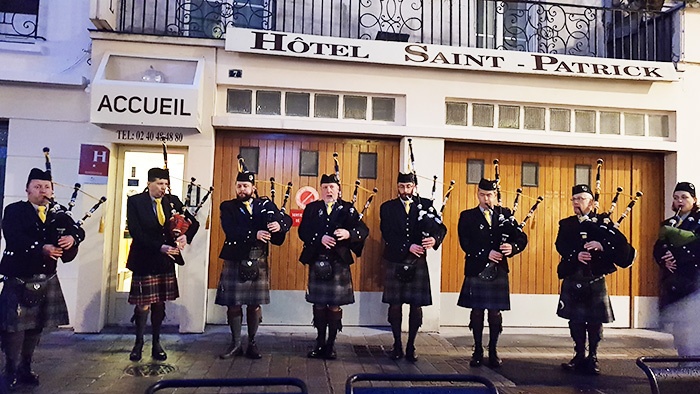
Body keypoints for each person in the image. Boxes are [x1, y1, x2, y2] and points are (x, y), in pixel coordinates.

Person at [0, 168, 85, 389]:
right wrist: (41, 248)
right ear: (27, 189)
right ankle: (10, 369)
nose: (43, 191)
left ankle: (25, 367)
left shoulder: (58, 213)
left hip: (46, 277)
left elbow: (77, 230)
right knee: (15, 328)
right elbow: (14, 236)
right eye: (38, 187)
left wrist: (72, 238)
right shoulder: (15, 210)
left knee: (35, 327)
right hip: (19, 276)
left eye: (47, 187)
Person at [555, 184, 631, 375]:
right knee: (575, 320)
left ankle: (593, 356)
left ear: (592, 202)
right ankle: (579, 354)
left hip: (595, 277)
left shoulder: (604, 224)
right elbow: (561, 246)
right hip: (574, 275)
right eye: (574, 199)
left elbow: (620, 246)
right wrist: (576, 255)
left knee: (595, 321)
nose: (576, 203)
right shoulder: (567, 223)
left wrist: (601, 245)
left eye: (580, 199)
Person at [125, 167, 199, 362]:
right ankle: (138, 343)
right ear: (149, 183)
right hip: (144, 259)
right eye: (159, 184)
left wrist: (184, 236)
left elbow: (193, 223)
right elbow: (135, 231)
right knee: (143, 305)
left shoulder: (172, 201)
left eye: (166, 184)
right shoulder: (135, 202)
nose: (163, 188)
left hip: (165, 261)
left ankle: (157, 343)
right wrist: (160, 247)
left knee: (159, 304)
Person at [216, 171, 289, 360]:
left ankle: (252, 343)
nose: (242, 189)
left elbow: (284, 218)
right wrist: (254, 234)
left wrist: (280, 227)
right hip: (235, 259)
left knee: (254, 304)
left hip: (258, 259)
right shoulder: (228, 206)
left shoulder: (264, 205)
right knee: (233, 304)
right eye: (239, 186)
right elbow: (230, 230)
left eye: (245, 186)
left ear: (253, 188)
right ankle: (235, 343)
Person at [457, 178, 527, 368]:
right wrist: (485, 253)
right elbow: (465, 243)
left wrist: (512, 247)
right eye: (482, 195)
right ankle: (478, 349)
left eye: (489, 195)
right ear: (477, 194)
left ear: (495, 195)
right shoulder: (467, 216)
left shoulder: (505, 215)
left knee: (495, 313)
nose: (485, 199)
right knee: (477, 312)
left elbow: (521, 237)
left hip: (498, 271)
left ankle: (493, 349)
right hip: (476, 268)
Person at [298, 174, 368, 360]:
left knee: (334, 306)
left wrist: (349, 233)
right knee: (319, 304)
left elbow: (363, 231)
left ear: (338, 189)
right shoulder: (312, 208)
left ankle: (331, 345)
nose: (329, 190)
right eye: (325, 187)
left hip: (338, 263)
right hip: (318, 260)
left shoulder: (348, 209)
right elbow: (303, 231)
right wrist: (319, 238)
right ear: (321, 189)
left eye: (332, 187)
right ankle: (319, 342)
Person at [379, 172, 446, 362]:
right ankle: (397, 344)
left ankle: (411, 345)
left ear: (414, 186)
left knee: (416, 307)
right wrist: (407, 246)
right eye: (401, 186)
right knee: (395, 306)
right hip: (396, 260)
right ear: (397, 187)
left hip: (417, 263)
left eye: (408, 187)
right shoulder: (387, 208)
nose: (405, 191)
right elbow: (387, 233)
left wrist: (435, 240)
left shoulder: (425, 205)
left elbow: (441, 227)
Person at [653, 181, 700, 357]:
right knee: (679, 328)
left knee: (692, 326)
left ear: (694, 200)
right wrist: (664, 258)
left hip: (694, 280)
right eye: (676, 197)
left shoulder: (699, 222)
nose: (680, 201)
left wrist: (677, 256)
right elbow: (658, 247)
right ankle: (684, 361)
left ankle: (693, 366)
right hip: (674, 281)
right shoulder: (668, 223)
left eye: (684, 197)